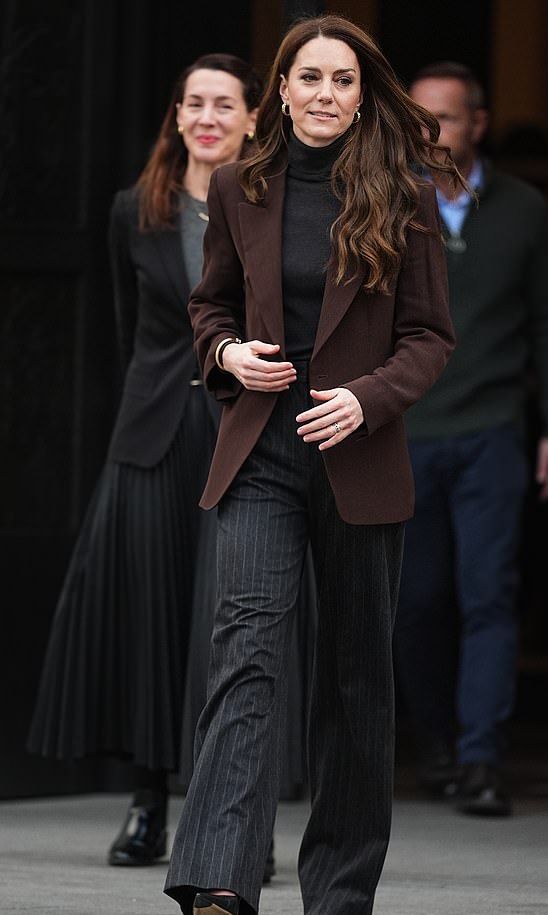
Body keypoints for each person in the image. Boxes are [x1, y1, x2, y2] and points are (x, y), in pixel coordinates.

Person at [163, 13, 459, 915]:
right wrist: (228, 355)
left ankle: (340, 883)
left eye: (341, 80)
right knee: (245, 653)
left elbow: (428, 340)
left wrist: (368, 401)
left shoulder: (403, 196)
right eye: (308, 78)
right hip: (261, 451)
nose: (325, 94)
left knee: (356, 676)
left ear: (360, 94)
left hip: (359, 458)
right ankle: (219, 873)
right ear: (279, 92)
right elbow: (207, 306)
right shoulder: (239, 187)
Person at [26, 54, 303, 873]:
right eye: (193, 103)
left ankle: (232, 825)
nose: (208, 116)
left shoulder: (272, 204)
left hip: (238, 428)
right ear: (177, 116)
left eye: (225, 104)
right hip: (152, 435)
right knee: (147, 622)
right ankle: (148, 807)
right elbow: (129, 330)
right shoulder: (131, 210)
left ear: (255, 118)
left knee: (235, 629)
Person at [393, 62, 548, 817]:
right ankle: (432, 740)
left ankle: (481, 759)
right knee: (417, 599)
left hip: (494, 431)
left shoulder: (524, 208)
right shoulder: (389, 204)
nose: (434, 133)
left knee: (489, 596)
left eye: (449, 118)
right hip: (404, 430)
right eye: (421, 118)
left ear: (480, 122)